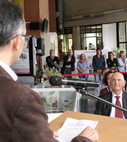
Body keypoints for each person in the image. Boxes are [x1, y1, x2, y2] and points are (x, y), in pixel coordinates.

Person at [0, 1, 98, 142]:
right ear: (16, 41)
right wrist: (83, 139)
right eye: (25, 37)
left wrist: (38, 131)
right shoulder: (22, 98)